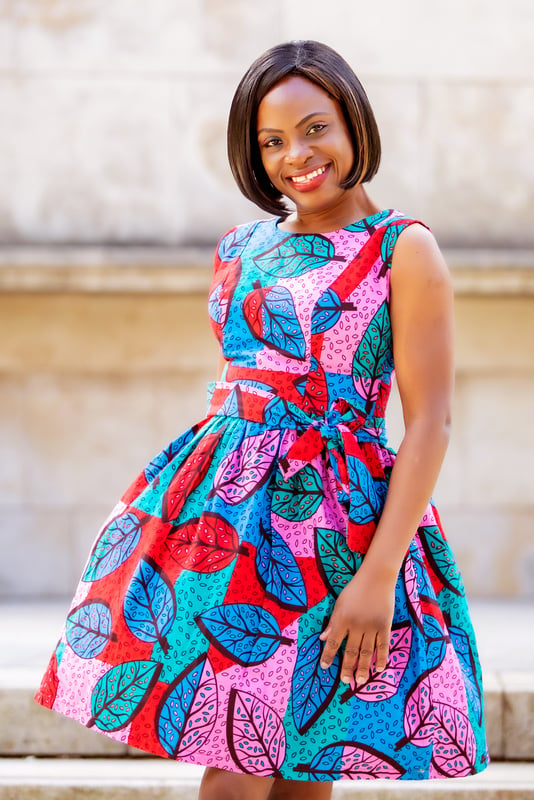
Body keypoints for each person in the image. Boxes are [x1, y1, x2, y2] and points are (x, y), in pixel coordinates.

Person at [35, 40, 489, 799]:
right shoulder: (242, 246)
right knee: (236, 743)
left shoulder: (402, 249)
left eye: (315, 129)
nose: (296, 156)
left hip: (332, 531)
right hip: (222, 515)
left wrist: (378, 576)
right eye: (271, 141)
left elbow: (431, 422)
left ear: (353, 122)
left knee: (305, 755)